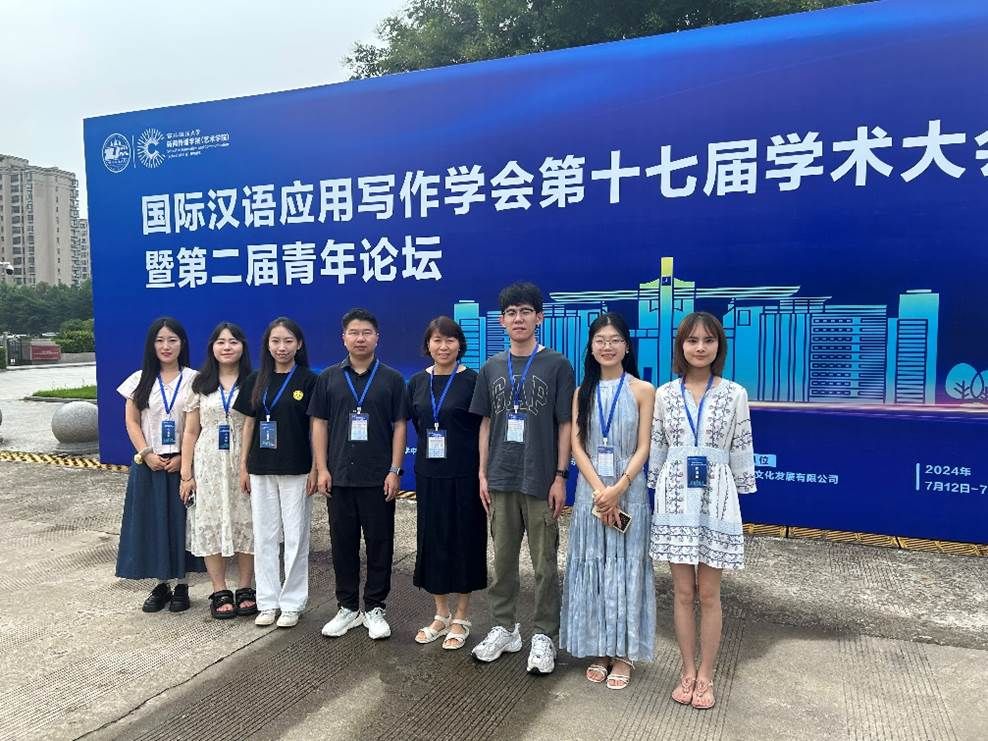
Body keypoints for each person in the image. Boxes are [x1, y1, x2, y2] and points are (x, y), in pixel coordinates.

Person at [649, 311, 756, 710]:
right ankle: (687, 671)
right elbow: (657, 446)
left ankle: (707, 675)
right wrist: (654, 485)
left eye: (708, 340)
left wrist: (741, 489)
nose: (699, 347)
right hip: (676, 497)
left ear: (718, 346)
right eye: (692, 340)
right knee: (682, 592)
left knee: (709, 594)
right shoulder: (664, 394)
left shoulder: (735, 394)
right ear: (681, 346)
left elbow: (741, 445)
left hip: (717, 497)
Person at [469, 281, 576, 674]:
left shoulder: (557, 365)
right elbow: (485, 424)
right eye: (511, 313)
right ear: (502, 320)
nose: (518, 319)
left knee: (544, 564)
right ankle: (504, 627)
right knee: (502, 562)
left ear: (539, 317)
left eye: (525, 312)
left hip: (540, 479)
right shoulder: (491, 367)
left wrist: (560, 475)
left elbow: (565, 424)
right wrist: (482, 472)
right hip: (500, 478)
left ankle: (544, 634)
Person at [561, 312, 656, 690]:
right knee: (595, 568)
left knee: (626, 570)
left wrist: (618, 488)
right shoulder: (581, 393)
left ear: (627, 346)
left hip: (628, 491)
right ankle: (599, 649)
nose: (607, 346)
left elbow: (644, 446)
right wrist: (601, 490)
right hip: (592, 492)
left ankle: (624, 653)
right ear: (591, 347)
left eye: (615, 340)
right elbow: (577, 446)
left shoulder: (643, 390)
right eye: (600, 340)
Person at [310, 308, 407, 641]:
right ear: (344, 338)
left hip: (378, 477)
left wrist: (394, 470)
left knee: (380, 544)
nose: (360, 338)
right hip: (339, 476)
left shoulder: (392, 379)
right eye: (354, 332)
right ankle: (348, 607)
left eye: (366, 332)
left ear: (377, 337)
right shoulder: (328, 378)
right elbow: (319, 424)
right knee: (342, 545)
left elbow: (399, 426)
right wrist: (322, 468)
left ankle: (375, 607)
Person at [233, 317, 318, 629]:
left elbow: (316, 428)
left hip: (297, 469)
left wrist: (316, 468)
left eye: (288, 341)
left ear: (299, 344)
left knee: (295, 538)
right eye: (276, 341)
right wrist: (243, 466)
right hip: (261, 468)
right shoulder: (256, 379)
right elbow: (249, 424)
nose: (282, 347)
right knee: (265, 537)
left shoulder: (310, 380)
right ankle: (268, 602)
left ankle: (292, 603)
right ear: (267, 345)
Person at [406, 316, 486, 650]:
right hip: (429, 475)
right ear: (428, 345)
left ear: (459, 344)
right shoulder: (416, 382)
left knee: (465, 541)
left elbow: (483, 427)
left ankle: (462, 616)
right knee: (433, 540)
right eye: (437, 340)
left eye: (450, 340)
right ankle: (440, 613)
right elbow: (418, 422)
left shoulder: (473, 381)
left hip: (465, 474)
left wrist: (482, 472)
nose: (443, 346)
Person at [116, 317, 204, 611]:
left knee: (183, 525)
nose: (166, 346)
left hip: (182, 464)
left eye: (172, 340)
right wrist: (145, 453)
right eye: (160, 340)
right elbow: (131, 421)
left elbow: (197, 425)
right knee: (153, 524)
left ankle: (182, 585)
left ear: (182, 344)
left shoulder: (194, 379)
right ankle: (161, 584)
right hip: (149, 464)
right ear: (151, 345)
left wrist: (183, 460)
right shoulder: (139, 380)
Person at [179, 322, 256, 620]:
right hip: (208, 461)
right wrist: (186, 474)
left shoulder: (253, 381)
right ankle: (219, 589)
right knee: (209, 520)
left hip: (243, 459)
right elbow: (190, 431)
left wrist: (248, 465)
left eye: (233, 341)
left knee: (246, 519)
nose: (227, 347)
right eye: (221, 342)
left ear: (243, 347)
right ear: (212, 347)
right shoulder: (200, 384)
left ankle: (245, 586)